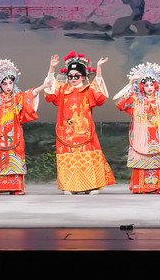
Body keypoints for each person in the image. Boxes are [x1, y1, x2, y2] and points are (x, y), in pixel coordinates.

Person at [0, 56, 55, 195]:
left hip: (13, 137)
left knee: (13, 160)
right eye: (4, 84)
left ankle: (15, 187)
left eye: (10, 83)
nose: (8, 87)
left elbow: (30, 94)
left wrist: (43, 87)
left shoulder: (17, 98)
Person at [44, 51, 116, 194]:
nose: (73, 79)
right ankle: (69, 186)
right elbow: (50, 91)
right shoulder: (62, 89)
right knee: (68, 158)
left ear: (83, 76)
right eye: (70, 76)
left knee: (87, 156)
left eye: (76, 76)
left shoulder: (88, 90)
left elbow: (100, 94)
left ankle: (90, 186)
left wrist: (99, 68)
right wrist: (52, 68)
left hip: (85, 132)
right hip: (66, 132)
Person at [113, 61, 160, 194]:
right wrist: (131, 83)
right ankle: (140, 187)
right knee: (141, 158)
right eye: (146, 85)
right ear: (142, 87)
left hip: (159, 136)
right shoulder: (137, 100)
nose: (149, 87)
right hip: (142, 137)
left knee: (159, 160)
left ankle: (159, 186)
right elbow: (120, 102)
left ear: (156, 86)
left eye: (151, 85)